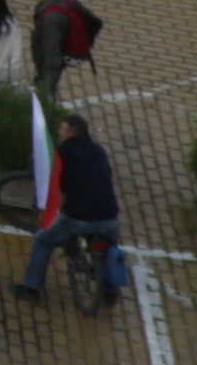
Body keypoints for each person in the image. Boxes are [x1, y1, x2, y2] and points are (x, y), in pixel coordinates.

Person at [16, 113, 122, 302]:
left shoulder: (61, 154)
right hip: (109, 216)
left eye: (62, 130)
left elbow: (51, 178)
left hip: (78, 217)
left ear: (69, 134)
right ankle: (111, 292)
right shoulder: (99, 151)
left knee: (43, 240)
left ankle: (31, 289)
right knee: (111, 249)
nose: (60, 132)